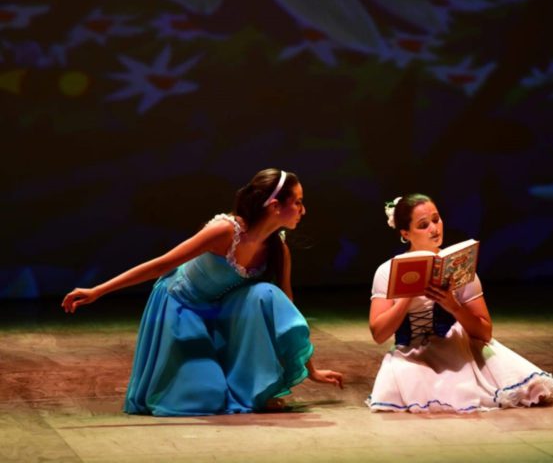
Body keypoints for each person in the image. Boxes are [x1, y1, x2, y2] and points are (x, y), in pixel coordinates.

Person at [62, 168, 343, 416]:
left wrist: (310, 369)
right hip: (182, 309)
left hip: (222, 315)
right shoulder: (225, 231)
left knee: (267, 294)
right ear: (274, 206)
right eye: (298, 202)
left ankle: (246, 384)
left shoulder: (277, 249)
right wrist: (98, 290)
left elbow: (286, 310)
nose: (303, 210)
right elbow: (161, 264)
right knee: (205, 398)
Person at [367, 194, 553, 413]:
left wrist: (453, 306)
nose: (434, 228)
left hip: (457, 349)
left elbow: (485, 332)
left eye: (436, 219)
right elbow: (379, 334)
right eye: (423, 225)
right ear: (405, 233)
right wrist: (406, 297)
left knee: (533, 389)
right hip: (412, 356)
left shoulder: (457, 264)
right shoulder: (388, 271)